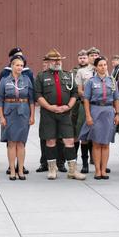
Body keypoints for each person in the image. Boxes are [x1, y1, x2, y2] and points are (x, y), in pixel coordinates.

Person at [35, 49, 85, 180]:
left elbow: (74, 93)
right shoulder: (41, 76)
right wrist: (50, 107)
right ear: (49, 61)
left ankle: (72, 171)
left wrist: (68, 106)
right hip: (48, 113)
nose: (57, 62)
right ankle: (52, 169)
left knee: (69, 140)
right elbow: (38, 95)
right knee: (50, 140)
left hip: (65, 113)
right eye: (54, 60)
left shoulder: (68, 75)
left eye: (59, 60)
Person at [79, 56, 119, 179]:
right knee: (96, 143)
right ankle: (97, 170)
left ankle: (104, 170)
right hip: (95, 111)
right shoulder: (91, 81)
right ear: (96, 67)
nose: (103, 67)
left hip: (108, 112)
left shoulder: (112, 81)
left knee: (106, 143)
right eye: (100, 65)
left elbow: (116, 98)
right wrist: (88, 115)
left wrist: (117, 114)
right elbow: (86, 99)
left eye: (105, 65)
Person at [0, 55, 35, 180]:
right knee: (12, 142)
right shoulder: (4, 80)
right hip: (9, 113)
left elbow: (31, 100)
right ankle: (12, 170)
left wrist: (32, 115)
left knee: (21, 143)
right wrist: (1, 116)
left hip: (23, 112)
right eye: (17, 65)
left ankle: (21, 170)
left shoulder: (27, 80)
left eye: (21, 65)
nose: (19, 67)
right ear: (12, 66)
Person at [73, 49, 94, 173]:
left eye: (84, 57)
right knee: (78, 133)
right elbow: (75, 88)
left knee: (93, 134)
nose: (82, 59)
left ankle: (93, 159)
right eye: (80, 57)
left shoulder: (98, 70)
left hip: (94, 105)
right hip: (77, 104)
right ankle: (74, 160)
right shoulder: (75, 71)